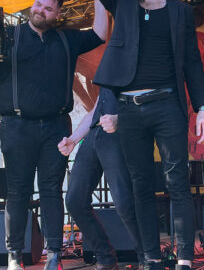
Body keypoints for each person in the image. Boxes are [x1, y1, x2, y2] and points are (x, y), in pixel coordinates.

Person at [55, 0, 204, 270]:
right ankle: (151, 258)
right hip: (127, 110)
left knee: (177, 184)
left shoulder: (179, 12)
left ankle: (185, 259)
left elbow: (192, 62)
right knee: (141, 185)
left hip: (168, 106)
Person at [0, 0, 108, 270]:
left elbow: (99, 34)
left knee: (51, 190)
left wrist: (98, 0)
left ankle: (54, 252)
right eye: (37, 4)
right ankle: (13, 255)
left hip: (56, 125)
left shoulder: (66, 38)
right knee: (17, 191)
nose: (39, 10)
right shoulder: (11, 36)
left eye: (47, 9)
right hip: (17, 125)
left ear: (57, 14)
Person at [59, 81, 144, 269]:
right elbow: (95, 110)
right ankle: (105, 257)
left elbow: (146, 107)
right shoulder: (109, 68)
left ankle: (148, 256)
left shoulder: (134, 63)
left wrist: (118, 119)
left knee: (124, 202)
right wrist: (73, 140)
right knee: (74, 201)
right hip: (94, 135)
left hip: (117, 133)